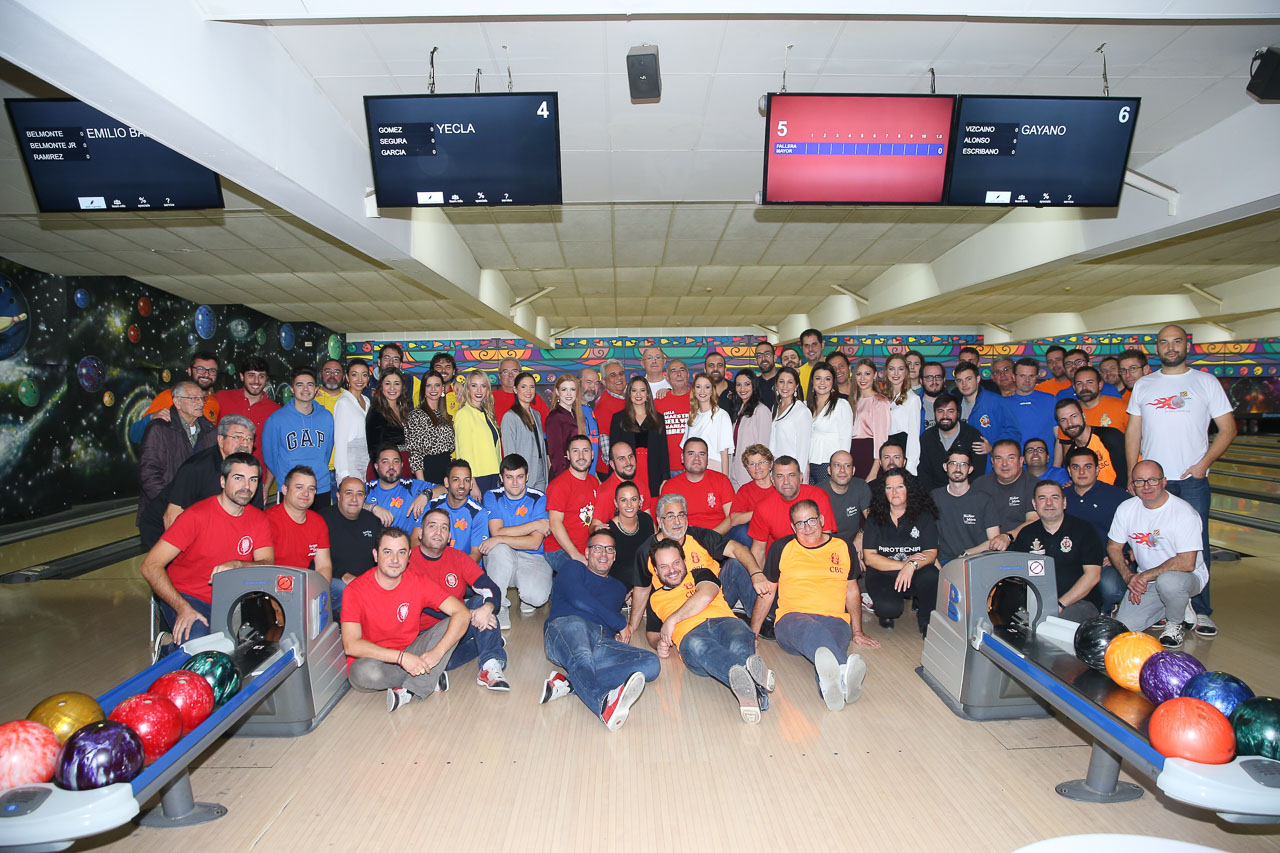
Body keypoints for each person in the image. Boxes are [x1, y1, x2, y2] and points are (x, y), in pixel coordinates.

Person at [1125, 324, 1235, 638]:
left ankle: (1201, 610)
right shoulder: (1144, 385)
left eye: (1176, 341)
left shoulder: (1205, 381)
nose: (1170, 347)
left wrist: (1202, 465)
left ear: (1187, 345)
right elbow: (1134, 432)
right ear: (1156, 348)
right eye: (1164, 342)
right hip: (1151, 482)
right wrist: (1134, 473)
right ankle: (1166, 605)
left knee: (1195, 547)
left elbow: (1227, 428)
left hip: (1191, 481)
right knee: (1150, 543)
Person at [139, 453, 274, 646]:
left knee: (267, 643)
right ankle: (168, 648)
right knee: (201, 645)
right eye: (238, 478)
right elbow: (150, 566)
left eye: (253, 480)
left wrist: (237, 565)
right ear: (222, 481)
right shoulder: (195, 517)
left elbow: (267, 563)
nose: (246, 486)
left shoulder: (258, 519)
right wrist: (182, 607)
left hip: (234, 601)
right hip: (188, 597)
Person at [644, 538, 776, 724]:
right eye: (664, 566)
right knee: (701, 647)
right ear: (656, 571)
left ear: (684, 561)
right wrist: (659, 643)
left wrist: (673, 619)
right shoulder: (655, 598)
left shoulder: (700, 573)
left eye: (676, 562)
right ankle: (753, 678)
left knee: (739, 639)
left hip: (724, 622)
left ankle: (752, 695)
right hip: (691, 636)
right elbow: (651, 633)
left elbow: (705, 595)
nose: (672, 570)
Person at [540, 529, 661, 730]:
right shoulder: (572, 568)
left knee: (650, 663)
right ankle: (604, 703)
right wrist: (621, 623)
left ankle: (569, 684)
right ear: (587, 553)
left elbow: (604, 620)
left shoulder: (618, 588)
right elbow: (580, 600)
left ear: (614, 556)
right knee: (581, 651)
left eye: (609, 549)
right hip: (566, 628)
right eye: (597, 548)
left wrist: (614, 635)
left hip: (599, 640)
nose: (603, 554)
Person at [763, 499, 875, 712]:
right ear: (792, 527)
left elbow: (852, 590)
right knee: (812, 629)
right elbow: (768, 592)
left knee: (828, 646)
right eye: (800, 523)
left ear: (822, 520)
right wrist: (753, 632)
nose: (807, 528)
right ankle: (844, 672)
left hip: (835, 620)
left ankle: (830, 689)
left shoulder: (843, 547)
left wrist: (857, 630)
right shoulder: (782, 547)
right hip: (791, 620)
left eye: (812, 520)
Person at [340, 527, 468, 712]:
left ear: (409, 556)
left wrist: (437, 653)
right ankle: (429, 677)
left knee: (453, 622)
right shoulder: (355, 590)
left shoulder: (417, 581)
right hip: (376, 659)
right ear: (375, 555)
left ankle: (410, 689)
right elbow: (351, 645)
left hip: (412, 650)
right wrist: (401, 658)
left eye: (401, 552)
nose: (394, 560)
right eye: (387, 552)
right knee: (362, 674)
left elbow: (462, 613)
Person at [627, 493, 768, 637]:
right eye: (670, 516)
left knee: (736, 564)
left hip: (715, 595)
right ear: (659, 520)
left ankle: (759, 622)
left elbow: (737, 548)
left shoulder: (699, 535)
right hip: (678, 605)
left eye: (681, 515)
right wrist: (632, 626)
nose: (677, 521)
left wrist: (756, 572)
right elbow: (642, 590)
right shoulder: (646, 551)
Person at [1107, 460, 1209, 649]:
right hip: (1148, 580)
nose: (1146, 486)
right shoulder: (1127, 509)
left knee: (1168, 582)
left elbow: (1187, 563)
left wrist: (1144, 576)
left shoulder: (1184, 513)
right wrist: (1128, 576)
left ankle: (1174, 623)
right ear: (1133, 484)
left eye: (1152, 480)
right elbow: (1113, 546)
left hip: (1187, 577)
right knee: (1123, 628)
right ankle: (1175, 603)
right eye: (1140, 481)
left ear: (1164, 482)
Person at [410, 508, 508, 691]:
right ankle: (489, 642)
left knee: (482, 604)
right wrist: (466, 614)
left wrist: (486, 609)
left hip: (459, 624)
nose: (438, 532)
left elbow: (492, 588)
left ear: (449, 536)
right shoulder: (407, 560)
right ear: (421, 533)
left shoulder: (458, 558)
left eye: (444, 528)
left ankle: (490, 666)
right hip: (425, 635)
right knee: (438, 661)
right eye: (432, 526)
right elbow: (422, 606)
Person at [137, 414, 261, 549]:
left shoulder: (252, 471)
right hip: (162, 528)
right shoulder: (196, 467)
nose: (244, 443)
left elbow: (255, 515)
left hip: (204, 527)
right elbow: (171, 517)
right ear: (220, 440)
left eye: (249, 439)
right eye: (237, 437)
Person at [1013, 480, 1104, 623]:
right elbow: (1017, 577)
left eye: (1055, 498)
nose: (1049, 503)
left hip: (1079, 603)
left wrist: (1060, 605)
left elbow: (1093, 576)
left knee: (1053, 627)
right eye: (1042, 498)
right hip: (1035, 603)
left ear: (1064, 503)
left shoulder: (1084, 530)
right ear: (1034, 504)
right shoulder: (1026, 534)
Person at [480, 453, 553, 629]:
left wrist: (499, 537)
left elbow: (535, 543)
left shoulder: (539, 498)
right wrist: (535, 524)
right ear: (501, 478)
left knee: (537, 598)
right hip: (503, 556)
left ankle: (526, 594)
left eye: (520, 477)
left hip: (532, 557)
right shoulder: (492, 496)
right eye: (509, 477)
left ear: (527, 477)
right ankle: (499, 606)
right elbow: (495, 531)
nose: (514, 483)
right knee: (497, 549)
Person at [862, 470, 940, 635]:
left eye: (899, 487)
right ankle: (886, 613)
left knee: (932, 575)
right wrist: (905, 564)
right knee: (889, 609)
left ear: (909, 489)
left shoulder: (923, 516)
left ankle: (926, 620)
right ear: (883, 492)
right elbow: (869, 558)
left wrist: (912, 565)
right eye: (889, 488)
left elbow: (931, 552)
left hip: (915, 572)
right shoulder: (874, 517)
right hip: (883, 573)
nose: (894, 492)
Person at [137, 379, 216, 528]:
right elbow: (149, 474)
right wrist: (172, 504)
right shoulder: (159, 429)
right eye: (193, 398)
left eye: (202, 398)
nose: (200, 403)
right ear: (177, 402)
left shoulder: (210, 431)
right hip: (161, 513)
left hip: (199, 514)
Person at [1064, 446, 1130, 617]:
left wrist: (1124, 554)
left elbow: (1137, 528)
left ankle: (1106, 610)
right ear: (1069, 471)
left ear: (1097, 469)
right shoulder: (1061, 497)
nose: (1082, 472)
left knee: (1112, 589)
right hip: (1071, 561)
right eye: (1076, 467)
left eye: (1088, 466)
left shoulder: (1118, 497)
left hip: (1106, 562)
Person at [747, 455, 837, 570]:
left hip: (815, 562)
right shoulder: (763, 507)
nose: (786, 482)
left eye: (791, 475)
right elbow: (758, 551)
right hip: (781, 567)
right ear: (772, 480)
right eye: (780, 476)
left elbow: (826, 539)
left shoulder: (819, 496)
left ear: (801, 477)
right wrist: (760, 579)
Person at [262, 366, 334, 501]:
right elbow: (270, 457)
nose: (305, 389)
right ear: (291, 389)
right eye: (300, 385)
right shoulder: (276, 419)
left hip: (320, 486)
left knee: (319, 522)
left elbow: (327, 451)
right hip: (290, 488)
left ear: (316, 389)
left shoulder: (326, 417)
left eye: (310, 385)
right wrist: (284, 477)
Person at [319, 476, 382, 616]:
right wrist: (342, 574)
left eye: (359, 494)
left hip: (367, 582)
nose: (354, 499)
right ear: (338, 495)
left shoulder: (372, 521)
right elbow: (313, 561)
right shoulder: (322, 519)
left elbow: (382, 555)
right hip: (336, 582)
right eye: (348, 493)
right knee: (346, 590)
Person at [213, 355, 280, 484]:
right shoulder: (221, 398)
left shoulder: (275, 411)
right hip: (219, 477)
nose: (256, 381)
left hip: (255, 481)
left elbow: (274, 453)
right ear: (241, 376)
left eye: (261, 376)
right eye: (251, 375)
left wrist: (266, 486)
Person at [931, 449, 1002, 567]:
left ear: (970, 469)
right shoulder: (934, 498)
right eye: (953, 463)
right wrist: (939, 571)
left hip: (977, 559)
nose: (958, 468)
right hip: (945, 562)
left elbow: (994, 541)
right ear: (945, 467)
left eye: (963, 464)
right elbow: (926, 539)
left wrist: (967, 553)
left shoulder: (984, 499)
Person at [132, 351, 221, 443]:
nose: (206, 374)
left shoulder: (214, 403)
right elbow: (135, 436)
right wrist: (150, 417)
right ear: (189, 371)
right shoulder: (169, 397)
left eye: (212, 370)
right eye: (200, 369)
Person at [265, 466, 332, 588]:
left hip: (306, 584)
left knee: (344, 590)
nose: (306, 493)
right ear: (284, 490)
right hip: (273, 586)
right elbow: (264, 570)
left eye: (311, 489)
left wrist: (315, 591)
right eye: (299, 487)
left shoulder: (318, 522)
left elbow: (324, 566)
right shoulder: (267, 521)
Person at [545, 435, 600, 575]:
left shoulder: (594, 482)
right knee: (579, 573)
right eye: (575, 451)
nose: (581, 456)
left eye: (586, 450)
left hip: (586, 548)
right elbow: (555, 524)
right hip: (558, 549)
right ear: (568, 455)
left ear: (592, 454)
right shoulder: (559, 485)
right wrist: (575, 555)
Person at [609, 376, 669, 497]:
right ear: (629, 394)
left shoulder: (659, 419)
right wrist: (613, 477)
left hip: (652, 470)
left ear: (647, 394)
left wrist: (665, 477)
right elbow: (613, 450)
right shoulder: (618, 418)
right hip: (628, 468)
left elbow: (663, 451)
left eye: (642, 390)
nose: (638, 394)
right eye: (634, 390)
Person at [972, 439, 1039, 546]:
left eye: (1011, 458)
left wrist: (1008, 537)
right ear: (992, 462)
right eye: (999, 458)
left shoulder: (1034, 484)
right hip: (984, 547)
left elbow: (1033, 520)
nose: (1004, 464)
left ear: (1021, 461)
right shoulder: (980, 484)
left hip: (1021, 545)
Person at [917, 394, 988, 494]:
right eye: (940, 411)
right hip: (936, 497)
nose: (945, 416)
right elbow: (924, 474)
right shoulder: (926, 438)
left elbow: (978, 474)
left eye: (950, 411)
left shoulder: (973, 436)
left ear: (958, 413)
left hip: (967, 494)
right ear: (934, 414)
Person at [660, 439, 734, 532]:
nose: (696, 458)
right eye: (691, 453)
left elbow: (731, 517)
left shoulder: (722, 480)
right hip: (686, 538)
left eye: (701, 454)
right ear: (682, 458)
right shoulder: (670, 487)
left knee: (742, 531)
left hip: (719, 535)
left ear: (707, 459)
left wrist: (712, 537)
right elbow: (668, 523)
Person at [424, 460, 490, 561]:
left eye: (466, 480)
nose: (462, 485)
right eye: (456, 480)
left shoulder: (479, 512)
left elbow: (475, 555)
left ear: (471, 484)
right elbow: (416, 539)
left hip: (464, 569)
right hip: (432, 565)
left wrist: (451, 571)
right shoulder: (432, 505)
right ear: (446, 482)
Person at [363, 444, 438, 532]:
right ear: (376, 467)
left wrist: (426, 495)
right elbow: (344, 500)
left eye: (395, 461)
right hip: (374, 544)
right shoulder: (367, 488)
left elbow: (444, 489)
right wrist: (372, 507)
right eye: (385, 462)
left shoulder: (412, 486)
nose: (391, 466)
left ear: (401, 465)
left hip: (406, 544)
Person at [1052, 398, 1126, 485]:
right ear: (1059, 425)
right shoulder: (1071, 454)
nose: (1070, 424)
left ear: (1084, 416)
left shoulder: (1109, 436)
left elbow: (1127, 471)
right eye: (1063, 420)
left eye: (1074, 416)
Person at [454, 370, 503, 497]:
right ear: (467, 389)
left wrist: (499, 475)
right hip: (477, 478)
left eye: (483, 386)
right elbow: (464, 453)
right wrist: (471, 482)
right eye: (474, 385)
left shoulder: (486, 413)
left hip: (492, 475)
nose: (479, 390)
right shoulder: (464, 414)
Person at [403, 370, 455, 485]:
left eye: (437, 385)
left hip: (447, 473)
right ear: (424, 389)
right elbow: (415, 454)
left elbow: (450, 448)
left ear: (442, 389)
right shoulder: (416, 415)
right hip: (428, 473)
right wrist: (422, 484)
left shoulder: (444, 415)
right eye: (428, 385)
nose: (433, 389)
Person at [954, 361, 1020, 453]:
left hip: (990, 463)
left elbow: (1013, 433)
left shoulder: (996, 401)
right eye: (960, 380)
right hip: (964, 462)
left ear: (978, 379)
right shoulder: (954, 405)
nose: (964, 384)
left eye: (968, 379)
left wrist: (993, 447)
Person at [500, 370, 549, 492]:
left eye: (532, 387)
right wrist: (515, 478)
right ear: (515, 390)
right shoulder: (510, 417)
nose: (529, 391)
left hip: (541, 473)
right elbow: (509, 453)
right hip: (522, 475)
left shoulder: (536, 415)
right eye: (524, 387)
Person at [806, 362, 852, 487]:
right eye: (818, 378)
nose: (822, 383)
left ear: (833, 383)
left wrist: (841, 466)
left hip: (830, 464)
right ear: (812, 381)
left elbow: (846, 438)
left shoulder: (841, 405)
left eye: (827, 379)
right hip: (808, 463)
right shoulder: (805, 406)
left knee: (827, 501)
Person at [726, 369, 772, 491]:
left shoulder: (761, 410)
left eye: (747, 384)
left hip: (752, 470)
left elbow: (763, 447)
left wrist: (758, 468)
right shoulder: (739, 409)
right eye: (738, 384)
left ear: (754, 385)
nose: (742, 388)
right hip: (736, 468)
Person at [546, 373, 599, 479]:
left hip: (579, 472)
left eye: (572, 389)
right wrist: (564, 479)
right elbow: (555, 454)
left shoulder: (576, 413)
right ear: (557, 391)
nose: (569, 394)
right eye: (564, 389)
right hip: (564, 475)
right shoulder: (555, 417)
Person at [605, 481, 656, 586]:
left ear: (640, 501)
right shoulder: (609, 531)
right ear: (616, 503)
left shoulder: (646, 520)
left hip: (647, 580)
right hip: (619, 584)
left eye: (633, 499)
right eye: (623, 500)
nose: (629, 505)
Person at [823, 450, 872, 560]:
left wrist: (862, 533)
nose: (842, 470)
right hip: (828, 549)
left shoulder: (861, 486)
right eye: (837, 465)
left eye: (847, 465)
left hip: (855, 546)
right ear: (829, 470)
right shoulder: (818, 492)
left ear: (853, 470)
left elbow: (873, 518)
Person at [365, 367, 412, 478]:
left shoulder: (405, 410)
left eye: (396, 383)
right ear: (381, 387)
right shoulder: (376, 413)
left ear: (402, 387)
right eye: (387, 383)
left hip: (405, 467)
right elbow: (374, 451)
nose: (392, 388)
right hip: (386, 471)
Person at [592, 440, 652, 526]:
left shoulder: (641, 484)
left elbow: (648, 520)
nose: (628, 462)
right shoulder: (606, 492)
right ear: (612, 464)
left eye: (630, 456)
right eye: (621, 458)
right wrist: (598, 530)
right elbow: (595, 526)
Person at [685, 372, 735, 475]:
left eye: (707, 387)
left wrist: (725, 481)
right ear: (694, 391)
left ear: (712, 391)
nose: (702, 391)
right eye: (698, 387)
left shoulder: (721, 415)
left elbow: (724, 454)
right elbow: (686, 449)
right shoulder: (692, 415)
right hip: (693, 467)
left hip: (715, 468)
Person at [769, 366, 812, 484]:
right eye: (781, 382)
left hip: (793, 470)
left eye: (790, 382)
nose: (785, 386)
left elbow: (803, 449)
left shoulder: (802, 411)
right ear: (776, 384)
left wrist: (798, 476)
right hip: (777, 468)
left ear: (796, 386)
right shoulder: (775, 407)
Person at [332, 359, 372, 485]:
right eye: (354, 375)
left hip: (366, 461)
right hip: (350, 463)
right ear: (347, 378)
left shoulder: (366, 400)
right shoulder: (343, 402)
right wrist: (344, 474)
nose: (360, 379)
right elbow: (340, 441)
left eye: (364, 375)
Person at [727, 443, 775, 547]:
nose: (757, 467)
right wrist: (761, 512)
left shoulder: (780, 488)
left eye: (761, 462)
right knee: (741, 531)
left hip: (775, 536)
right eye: (752, 464)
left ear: (771, 465)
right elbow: (734, 519)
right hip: (751, 539)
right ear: (747, 469)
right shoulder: (745, 490)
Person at [850, 358, 890, 480]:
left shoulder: (879, 401)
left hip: (869, 453)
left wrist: (875, 469)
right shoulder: (852, 401)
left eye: (867, 374)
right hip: (852, 453)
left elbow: (881, 438)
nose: (862, 378)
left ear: (875, 375)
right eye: (859, 374)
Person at [1008, 358, 1057, 454]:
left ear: (1037, 377)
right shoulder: (1003, 404)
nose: (1027, 380)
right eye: (1022, 376)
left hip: (1046, 466)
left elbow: (1059, 438)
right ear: (1013, 377)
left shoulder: (1050, 400)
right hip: (1015, 465)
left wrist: (1056, 465)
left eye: (1031, 376)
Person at [884, 353, 922, 474]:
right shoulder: (883, 398)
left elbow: (914, 438)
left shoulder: (913, 399)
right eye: (891, 369)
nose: (896, 373)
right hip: (885, 454)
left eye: (900, 369)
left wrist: (910, 468)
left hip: (902, 453)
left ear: (906, 372)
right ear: (886, 372)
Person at [653, 358, 691, 475]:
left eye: (682, 370)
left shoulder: (699, 398)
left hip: (693, 466)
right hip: (666, 467)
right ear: (667, 377)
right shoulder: (658, 402)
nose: (678, 374)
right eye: (673, 371)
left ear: (688, 375)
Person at [592, 360, 628, 477]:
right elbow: (604, 440)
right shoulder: (604, 405)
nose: (619, 378)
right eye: (612, 375)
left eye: (621, 373)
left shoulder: (625, 398)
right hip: (614, 469)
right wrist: (618, 468)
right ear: (604, 381)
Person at [1068, 366, 1129, 432]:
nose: (1084, 387)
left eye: (1090, 382)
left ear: (1100, 385)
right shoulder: (1069, 412)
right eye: (1079, 383)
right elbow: (1064, 441)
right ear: (1074, 387)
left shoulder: (1121, 407)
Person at [493, 357, 550, 425]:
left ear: (521, 374)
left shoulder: (532, 397)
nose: (510, 375)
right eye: (505, 372)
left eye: (515, 371)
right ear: (499, 376)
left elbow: (548, 425)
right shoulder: (490, 398)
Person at [429, 351, 463, 416]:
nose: (443, 370)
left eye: (448, 367)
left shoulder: (460, 394)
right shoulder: (424, 393)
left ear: (453, 371)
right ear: (432, 371)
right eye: (439, 367)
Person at [918, 361, 946, 431]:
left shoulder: (957, 402)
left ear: (944, 379)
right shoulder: (914, 404)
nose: (934, 381)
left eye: (938, 377)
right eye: (929, 377)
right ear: (921, 381)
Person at [753, 340, 779, 409]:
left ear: (775, 358)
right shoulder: (753, 384)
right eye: (759, 355)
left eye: (767, 354)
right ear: (756, 361)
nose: (763, 358)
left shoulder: (783, 382)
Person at [797, 328, 824, 392]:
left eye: (814, 344)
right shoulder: (798, 374)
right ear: (802, 349)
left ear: (822, 345)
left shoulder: (833, 368)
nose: (810, 349)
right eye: (806, 345)